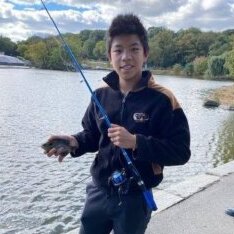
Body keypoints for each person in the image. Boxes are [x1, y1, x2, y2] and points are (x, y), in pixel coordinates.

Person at [42, 14, 191, 234]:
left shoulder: (163, 100)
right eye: (118, 50)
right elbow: (92, 136)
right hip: (98, 191)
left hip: (135, 198)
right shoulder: (100, 95)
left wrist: (136, 142)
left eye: (134, 49)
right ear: (110, 56)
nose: (126, 57)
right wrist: (73, 142)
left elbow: (181, 152)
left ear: (145, 54)